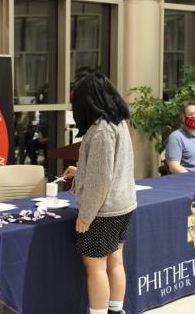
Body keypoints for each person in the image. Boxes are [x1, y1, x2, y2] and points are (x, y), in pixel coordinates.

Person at [62, 73, 136, 314]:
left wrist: (86, 215)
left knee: (95, 266)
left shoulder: (101, 129)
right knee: (115, 261)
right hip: (124, 205)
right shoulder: (119, 122)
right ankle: (116, 310)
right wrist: (81, 170)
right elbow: (109, 167)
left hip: (104, 211)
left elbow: (101, 179)